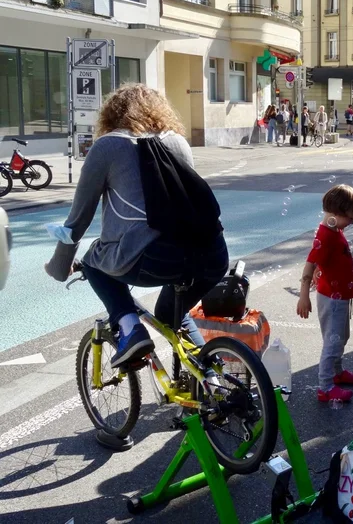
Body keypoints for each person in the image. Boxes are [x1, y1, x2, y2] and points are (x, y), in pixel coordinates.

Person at [44, 84, 228, 368]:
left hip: (153, 259)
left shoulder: (108, 147)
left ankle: (131, 328)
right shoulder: (177, 141)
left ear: (110, 116)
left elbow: (77, 221)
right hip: (212, 253)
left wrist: (59, 267)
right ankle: (213, 382)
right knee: (171, 316)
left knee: (93, 261)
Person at [296, 184, 353, 403]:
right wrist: (303, 295)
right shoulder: (326, 235)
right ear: (336, 215)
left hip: (341, 295)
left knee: (342, 337)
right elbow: (309, 265)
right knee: (333, 342)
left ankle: (337, 372)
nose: (352, 222)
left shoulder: (335, 229)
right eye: (350, 218)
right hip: (332, 298)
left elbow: (325, 261)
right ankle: (325, 386)